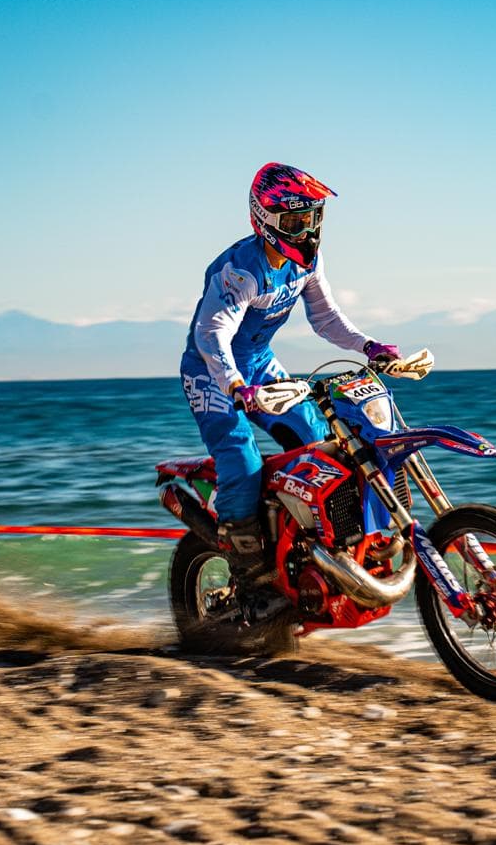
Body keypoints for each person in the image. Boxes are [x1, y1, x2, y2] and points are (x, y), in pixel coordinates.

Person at [179, 162, 423, 622]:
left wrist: (368, 346)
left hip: (258, 364)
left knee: (318, 444)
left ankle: (314, 551)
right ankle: (251, 577)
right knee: (243, 461)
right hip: (212, 374)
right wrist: (234, 385)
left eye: (312, 218)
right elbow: (211, 335)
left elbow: (326, 318)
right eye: (295, 221)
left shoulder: (305, 262)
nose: (307, 230)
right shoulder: (241, 271)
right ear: (265, 220)